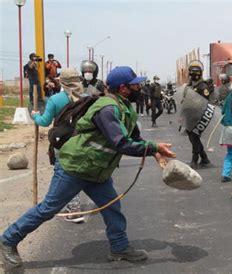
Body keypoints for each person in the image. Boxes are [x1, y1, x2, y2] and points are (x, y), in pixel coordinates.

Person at [0, 66, 176, 267]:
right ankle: (7, 240)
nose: (140, 87)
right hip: (75, 166)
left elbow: (134, 138)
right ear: (124, 88)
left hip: (95, 169)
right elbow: (120, 142)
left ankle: (119, 248)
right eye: (136, 84)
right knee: (48, 209)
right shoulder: (107, 109)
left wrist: (154, 151)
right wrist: (152, 147)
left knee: (112, 206)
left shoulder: (125, 107)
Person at [32, 68, 87, 223]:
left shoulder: (55, 99)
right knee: (79, 172)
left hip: (62, 142)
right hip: (83, 141)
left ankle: (72, 208)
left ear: (61, 82)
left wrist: (35, 115)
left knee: (65, 174)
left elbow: (44, 121)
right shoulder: (86, 98)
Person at [183, 60, 213, 169]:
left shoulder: (202, 86)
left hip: (198, 116)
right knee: (192, 138)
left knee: (194, 137)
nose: (193, 75)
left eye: (195, 72)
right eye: (191, 72)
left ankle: (195, 158)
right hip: (189, 116)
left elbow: (205, 101)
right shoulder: (189, 85)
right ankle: (204, 157)